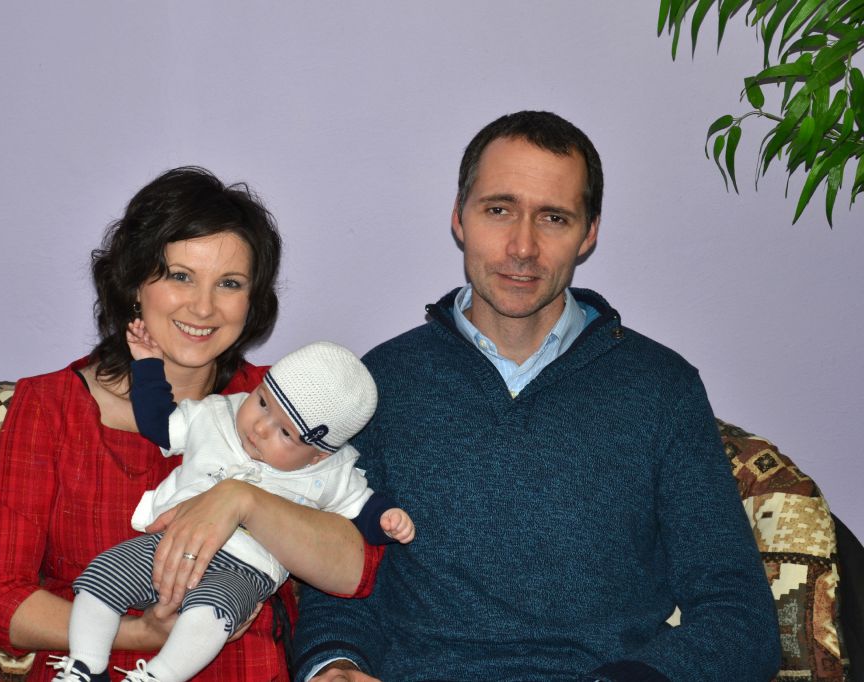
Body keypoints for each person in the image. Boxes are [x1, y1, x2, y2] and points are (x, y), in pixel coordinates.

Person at [292, 111, 782, 682]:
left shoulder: (661, 388)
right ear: (459, 217)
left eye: (553, 218)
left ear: (589, 232)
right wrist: (335, 661)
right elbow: (341, 578)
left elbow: (738, 616)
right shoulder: (380, 382)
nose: (522, 247)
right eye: (499, 210)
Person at [0, 166, 383, 682]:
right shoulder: (51, 407)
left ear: (252, 301)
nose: (203, 307)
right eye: (180, 276)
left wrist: (242, 500)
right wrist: (140, 634)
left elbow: (353, 573)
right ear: (134, 282)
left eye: (229, 284)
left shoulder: (287, 407)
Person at [52, 332, 414, 682]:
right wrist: (147, 367)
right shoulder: (217, 413)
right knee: (103, 574)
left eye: (285, 434)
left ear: (318, 454)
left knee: (211, 614)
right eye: (262, 403)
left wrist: (386, 518)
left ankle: (157, 676)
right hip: (170, 543)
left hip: (245, 570)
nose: (260, 427)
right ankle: (85, 666)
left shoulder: (330, 472)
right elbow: (158, 423)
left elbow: (361, 507)